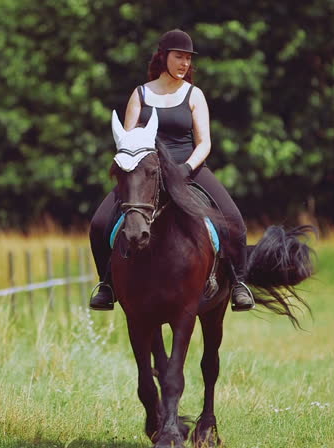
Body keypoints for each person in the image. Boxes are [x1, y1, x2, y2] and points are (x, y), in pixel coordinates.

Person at [88, 29, 255, 312]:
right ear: (163, 57)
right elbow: (129, 142)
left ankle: (239, 283)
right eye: (179, 57)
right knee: (100, 224)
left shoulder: (194, 94)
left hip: (188, 168)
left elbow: (204, 143)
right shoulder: (140, 94)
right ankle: (107, 285)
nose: (185, 64)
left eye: (188, 59)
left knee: (234, 220)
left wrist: (186, 168)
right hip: (145, 174)